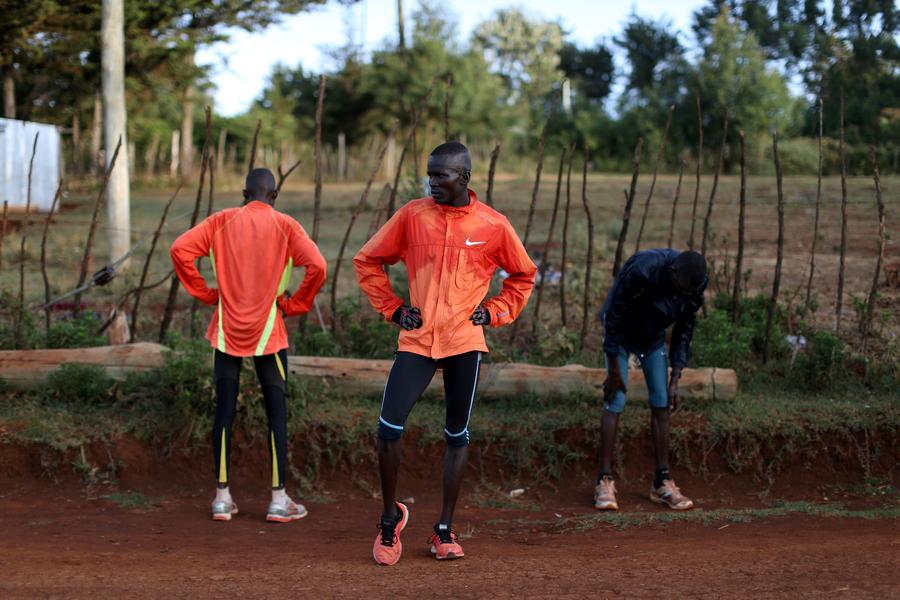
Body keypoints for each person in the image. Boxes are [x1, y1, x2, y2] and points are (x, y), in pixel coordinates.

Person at [354, 142, 537, 565]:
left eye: (442, 176)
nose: (432, 183)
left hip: (464, 342)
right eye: (430, 175)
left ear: (465, 178)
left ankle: (443, 529)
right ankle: (389, 519)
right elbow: (368, 261)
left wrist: (493, 312)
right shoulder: (412, 216)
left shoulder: (493, 225)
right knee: (388, 429)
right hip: (417, 340)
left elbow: (523, 276)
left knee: (457, 434)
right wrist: (395, 308)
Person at [170, 168, 327, 523]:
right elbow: (317, 265)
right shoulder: (286, 225)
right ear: (274, 195)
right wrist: (296, 304)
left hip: (227, 331)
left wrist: (207, 294)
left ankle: (222, 499)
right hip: (269, 332)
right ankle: (278, 499)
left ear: (244, 193)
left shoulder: (221, 221)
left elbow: (180, 250)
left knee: (223, 412)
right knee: (277, 415)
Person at [594, 249, 707, 512]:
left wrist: (676, 376)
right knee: (616, 399)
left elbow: (685, 328)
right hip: (621, 336)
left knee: (661, 402)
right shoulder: (643, 270)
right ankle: (604, 480)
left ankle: (662, 482)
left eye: (689, 292)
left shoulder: (695, 282)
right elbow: (614, 314)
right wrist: (613, 370)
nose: (684, 295)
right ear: (672, 274)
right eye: (681, 288)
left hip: (653, 340)